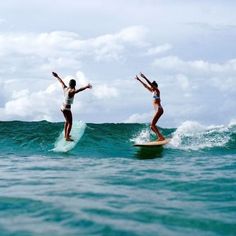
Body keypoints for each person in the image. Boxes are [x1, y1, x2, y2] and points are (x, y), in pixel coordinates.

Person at [52, 72, 92, 141]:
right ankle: (67, 137)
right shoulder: (71, 91)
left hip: (62, 107)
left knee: (67, 121)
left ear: (69, 84)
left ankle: (66, 135)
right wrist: (86, 87)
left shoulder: (65, 88)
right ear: (74, 85)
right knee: (70, 123)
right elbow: (78, 90)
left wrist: (57, 76)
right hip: (66, 108)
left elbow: (61, 82)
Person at [135, 72, 165, 141]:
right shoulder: (153, 92)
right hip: (158, 110)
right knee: (152, 126)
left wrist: (144, 77)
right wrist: (139, 80)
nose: (151, 87)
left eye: (152, 86)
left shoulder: (157, 91)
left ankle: (160, 137)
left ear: (155, 86)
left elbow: (150, 84)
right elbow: (146, 86)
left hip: (159, 109)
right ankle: (160, 137)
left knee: (152, 125)